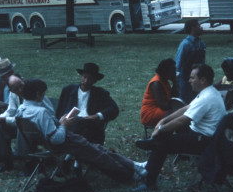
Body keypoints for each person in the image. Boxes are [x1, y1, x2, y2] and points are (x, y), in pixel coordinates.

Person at [16, 78, 148, 183]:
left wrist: (60, 122)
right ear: (38, 94)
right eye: (43, 93)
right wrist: (63, 125)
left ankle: (134, 166)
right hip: (64, 143)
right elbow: (57, 139)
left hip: (49, 143)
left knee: (98, 149)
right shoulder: (40, 112)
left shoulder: (22, 110)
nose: (43, 96)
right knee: (98, 154)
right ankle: (130, 174)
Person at [135, 64, 226, 191]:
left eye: (192, 78)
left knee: (162, 142)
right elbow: (187, 108)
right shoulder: (208, 92)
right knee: (166, 129)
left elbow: (182, 121)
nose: (189, 81)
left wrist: (160, 130)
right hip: (202, 134)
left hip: (205, 142)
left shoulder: (207, 98)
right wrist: (164, 120)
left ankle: (149, 182)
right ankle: (151, 147)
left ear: (203, 80)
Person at [0, 72, 54, 172]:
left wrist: (3, 119)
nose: (19, 90)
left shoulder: (35, 93)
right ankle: (6, 159)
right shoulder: (13, 94)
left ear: (24, 81)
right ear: (10, 90)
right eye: (15, 89)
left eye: (20, 86)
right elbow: (11, 110)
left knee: (23, 127)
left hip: (39, 125)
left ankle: (29, 162)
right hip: (22, 122)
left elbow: (32, 117)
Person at [56, 63, 119, 145]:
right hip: (70, 123)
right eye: (84, 77)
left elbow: (114, 109)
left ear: (95, 81)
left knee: (83, 125)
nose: (86, 81)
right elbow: (60, 109)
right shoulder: (68, 90)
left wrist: (97, 116)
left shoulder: (100, 93)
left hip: (89, 125)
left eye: (90, 79)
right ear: (81, 76)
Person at [140, 58, 179, 128]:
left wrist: (174, 82)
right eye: (173, 71)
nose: (175, 73)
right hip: (150, 114)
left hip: (159, 110)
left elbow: (174, 97)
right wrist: (177, 108)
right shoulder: (156, 83)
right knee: (177, 115)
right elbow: (163, 105)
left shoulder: (165, 80)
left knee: (179, 114)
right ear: (165, 71)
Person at [175, 19, 206, 104]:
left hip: (198, 78)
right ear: (193, 28)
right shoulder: (185, 44)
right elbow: (178, 63)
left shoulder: (201, 43)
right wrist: (176, 81)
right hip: (186, 80)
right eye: (199, 26)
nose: (201, 28)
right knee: (185, 102)